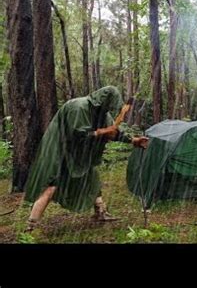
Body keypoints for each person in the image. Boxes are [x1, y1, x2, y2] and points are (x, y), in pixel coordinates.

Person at [24, 86, 148, 231]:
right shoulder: (79, 107)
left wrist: (133, 140)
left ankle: (101, 212)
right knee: (52, 186)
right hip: (61, 151)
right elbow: (78, 135)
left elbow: (113, 132)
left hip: (79, 154)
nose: (108, 109)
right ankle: (30, 226)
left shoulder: (102, 114)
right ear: (101, 100)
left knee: (92, 178)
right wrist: (102, 131)